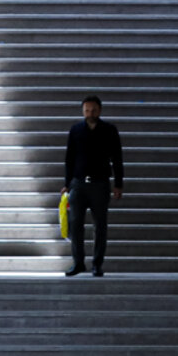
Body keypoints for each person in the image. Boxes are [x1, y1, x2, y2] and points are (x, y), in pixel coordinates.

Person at [60, 95, 123, 277]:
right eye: (87, 110)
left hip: (100, 184)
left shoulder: (109, 130)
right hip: (78, 184)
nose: (90, 113)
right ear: (83, 111)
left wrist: (118, 184)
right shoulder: (76, 130)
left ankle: (97, 263)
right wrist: (67, 183)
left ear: (100, 110)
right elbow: (69, 158)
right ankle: (78, 262)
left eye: (93, 110)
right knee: (75, 224)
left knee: (100, 226)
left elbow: (117, 159)